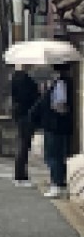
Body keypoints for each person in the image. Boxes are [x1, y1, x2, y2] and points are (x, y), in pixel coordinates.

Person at [37, 62, 74, 198]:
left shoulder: (60, 83)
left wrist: (50, 104)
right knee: (58, 155)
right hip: (60, 125)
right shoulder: (65, 82)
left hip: (55, 125)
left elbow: (60, 104)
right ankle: (60, 183)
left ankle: (57, 184)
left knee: (53, 156)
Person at [10, 64, 40, 187]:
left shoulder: (15, 77)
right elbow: (32, 98)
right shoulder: (25, 80)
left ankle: (21, 173)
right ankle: (20, 175)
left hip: (19, 114)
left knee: (23, 144)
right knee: (24, 145)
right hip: (26, 115)